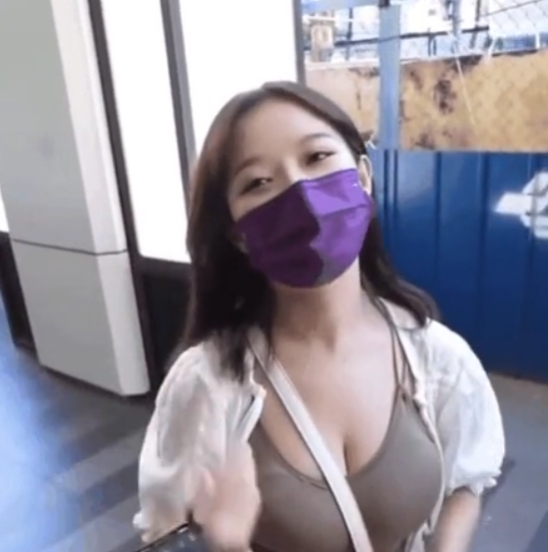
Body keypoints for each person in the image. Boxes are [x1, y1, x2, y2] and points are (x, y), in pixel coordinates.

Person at [134, 81, 505, 552]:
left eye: (317, 157)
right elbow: (165, 528)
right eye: (258, 182)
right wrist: (224, 543)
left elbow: (466, 481)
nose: (300, 191)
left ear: (363, 178)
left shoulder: (438, 359)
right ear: (239, 235)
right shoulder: (208, 385)